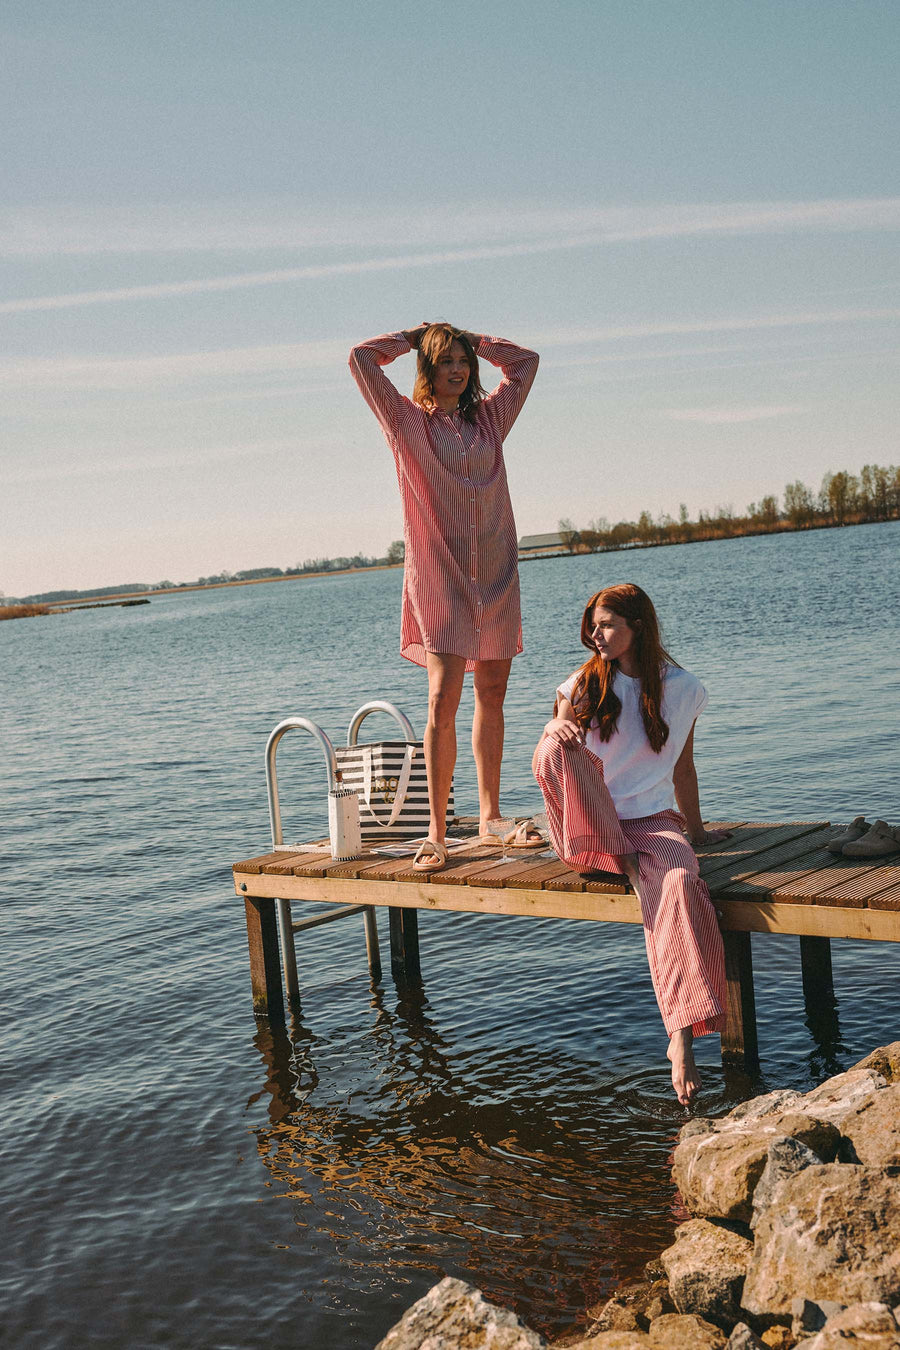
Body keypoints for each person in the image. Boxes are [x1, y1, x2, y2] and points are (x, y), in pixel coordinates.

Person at [349, 322, 540, 873]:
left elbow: (526, 362)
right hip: (442, 577)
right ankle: (436, 831)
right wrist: (414, 337)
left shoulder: (491, 420)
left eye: (463, 360)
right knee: (442, 699)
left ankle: (489, 818)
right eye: (445, 360)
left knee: (494, 691)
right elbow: (361, 360)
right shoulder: (407, 421)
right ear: (427, 369)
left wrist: (473, 338)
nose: (456, 368)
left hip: (497, 572)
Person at [531, 582, 729, 1105]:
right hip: (592, 828)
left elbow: (682, 765)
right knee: (553, 744)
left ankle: (680, 1036)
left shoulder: (682, 688)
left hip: (652, 822)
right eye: (592, 626)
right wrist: (557, 724)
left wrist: (699, 831)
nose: (595, 635)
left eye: (607, 625)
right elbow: (555, 762)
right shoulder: (581, 684)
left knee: (683, 883)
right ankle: (628, 864)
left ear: (637, 625)